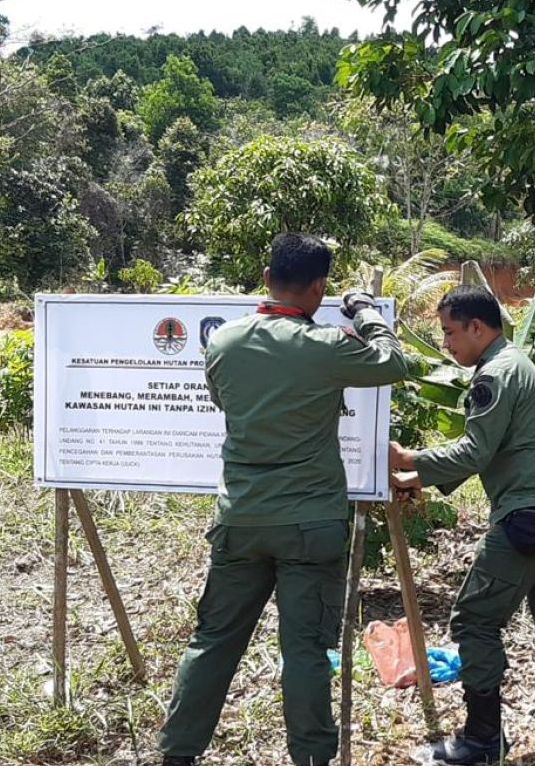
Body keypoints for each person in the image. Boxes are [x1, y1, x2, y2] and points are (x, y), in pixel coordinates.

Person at [159, 233, 407, 766]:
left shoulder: (222, 341)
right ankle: (312, 759)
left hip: (241, 519)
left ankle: (177, 754)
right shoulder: (327, 347)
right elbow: (392, 362)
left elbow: (223, 401)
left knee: (213, 642)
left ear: (268, 277)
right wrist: (364, 312)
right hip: (310, 522)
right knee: (304, 653)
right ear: (319, 288)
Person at [389, 285, 535, 765]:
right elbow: (493, 449)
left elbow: (474, 450)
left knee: (474, 620)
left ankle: (483, 740)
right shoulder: (515, 364)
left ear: (476, 328)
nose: (446, 343)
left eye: (449, 333)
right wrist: (419, 473)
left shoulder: (494, 376)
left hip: (529, 518)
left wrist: (411, 461)